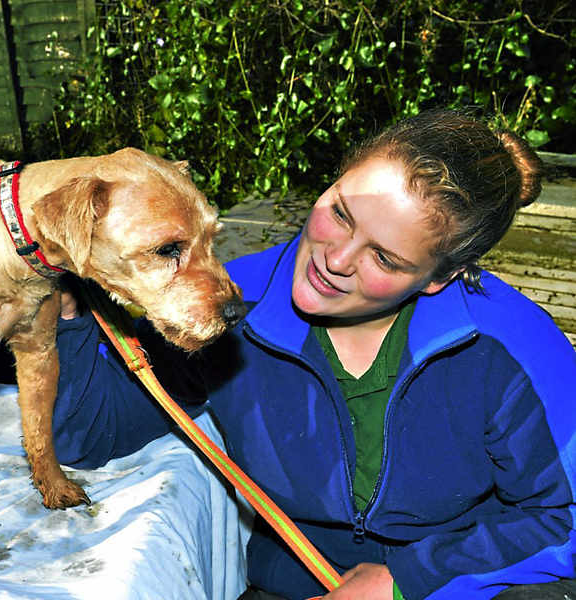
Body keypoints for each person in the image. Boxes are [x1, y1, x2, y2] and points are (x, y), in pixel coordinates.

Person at [48, 109, 576, 600]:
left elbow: (565, 521)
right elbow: (89, 435)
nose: (336, 259)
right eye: (340, 213)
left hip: (464, 585)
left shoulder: (515, 348)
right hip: (291, 584)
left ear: (439, 277)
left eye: (384, 257)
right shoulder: (230, 306)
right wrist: (67, 309)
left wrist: (406, 579)